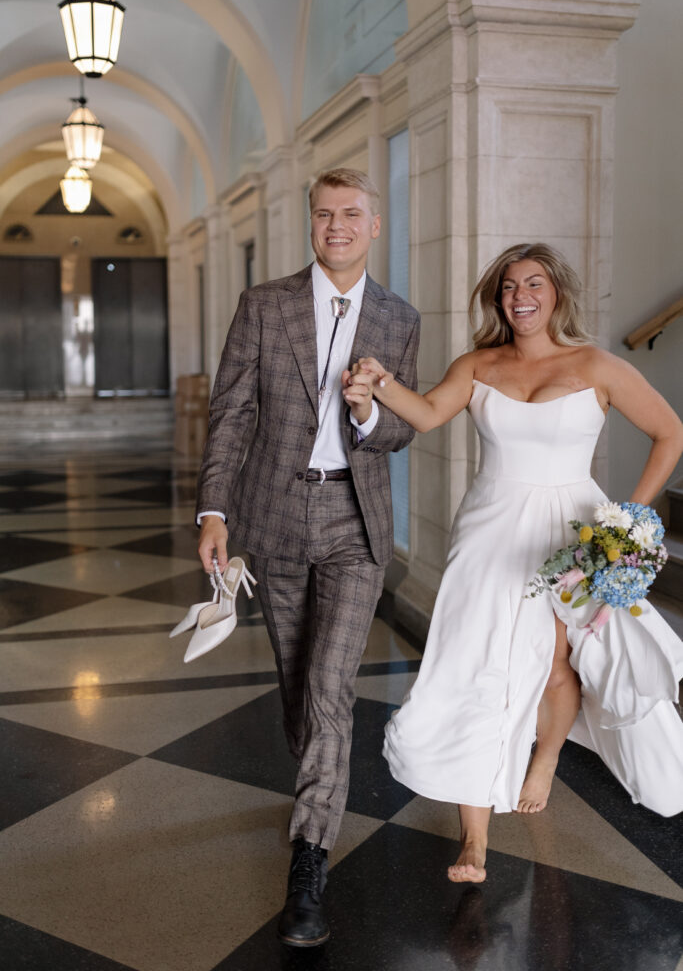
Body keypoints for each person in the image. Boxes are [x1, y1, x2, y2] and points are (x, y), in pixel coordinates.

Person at [346, 242, 683, 884]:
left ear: (556, 293)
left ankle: (546, 756)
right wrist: (379, 383)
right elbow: (425, 414)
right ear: (496, 299)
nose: (519, 296)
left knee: (556, 666)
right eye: (507, 287)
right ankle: (474, 837)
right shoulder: (477, 364)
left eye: (532, 284)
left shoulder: (598, 366)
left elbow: (671, 433)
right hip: (490, 532)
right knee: (476, 667)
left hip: (572, 535)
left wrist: (626, 522)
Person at [195, 168, 420, 946]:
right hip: (274, 513)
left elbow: (403, 429)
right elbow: (231, 410)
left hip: (355, 521)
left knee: (331, 685)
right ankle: (314, 786)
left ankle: (310, 858)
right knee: (298, 682)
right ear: (312, 224)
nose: (336, 227)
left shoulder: (398, 318)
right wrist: (214, 510)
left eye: (351, 214)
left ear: (374, 224)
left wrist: (367, 412)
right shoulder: (266, 305)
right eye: (324, 215)